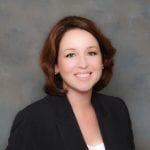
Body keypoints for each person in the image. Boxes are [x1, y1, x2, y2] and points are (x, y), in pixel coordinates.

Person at [6, 16, 135, 150]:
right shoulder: (32, 119)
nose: (83, 64)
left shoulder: (117, 109)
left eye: (91, 53)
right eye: (70, 55)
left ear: (103, 61)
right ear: (55, 65)